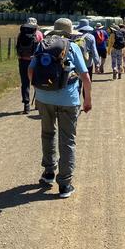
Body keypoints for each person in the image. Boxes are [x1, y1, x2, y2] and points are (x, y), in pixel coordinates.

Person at [28, 18, 92, 198]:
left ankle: (48, 173)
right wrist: (88, 100)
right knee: (67, 140)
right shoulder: (72, 47)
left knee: (47, 134)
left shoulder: (42, 45)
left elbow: (30, 72)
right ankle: (64, 184)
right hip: (68, 100)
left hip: (43, 98)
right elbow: (85, 76)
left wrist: (40, 90)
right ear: (69, 32)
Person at [16, 17, 42, 114]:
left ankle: (26, 105)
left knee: (25, 83)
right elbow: (41, 47)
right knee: (36, 81)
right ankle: (38, 103)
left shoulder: (20, 34)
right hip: (34, 61)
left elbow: (17, 47)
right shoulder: (38, 34)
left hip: (22, 60)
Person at [74, 19, 100, 94]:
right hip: (88, 64)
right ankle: (86, 100)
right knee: (87, 84)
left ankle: (77, 101)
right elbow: (94, 51)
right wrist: (97, 64)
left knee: (76, 84)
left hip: (76, 64)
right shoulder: (91, 37)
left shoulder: (74, 36)